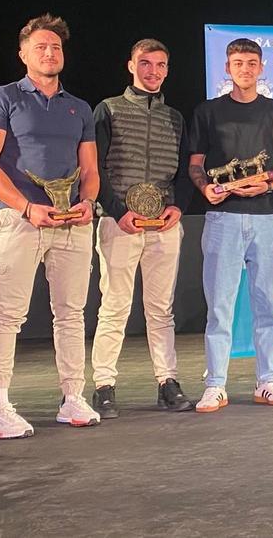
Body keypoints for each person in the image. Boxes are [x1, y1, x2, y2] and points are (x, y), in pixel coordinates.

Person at [0, 14, 101, 438]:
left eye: (56, 47)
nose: (49, 53)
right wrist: (27, 207)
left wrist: (88, 203)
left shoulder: (78, 108)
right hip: (20, 221)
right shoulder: (2, 99)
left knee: (72, 313)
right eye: (41, 47)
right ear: (23, 54)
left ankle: (73, 397)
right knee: (8, 314)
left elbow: (90, 170)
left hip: (71, 224)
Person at [187, 38, 273, 412]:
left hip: (267, 217)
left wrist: (268, 185)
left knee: (268, 303)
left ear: (261, 67)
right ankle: (215, 384)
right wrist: (205, 189)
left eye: (252, 63)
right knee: (219, 306)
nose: (245, 69)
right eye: (238, 63)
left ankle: (267, 380)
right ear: (228, 68)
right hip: (223, 217)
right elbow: (195, 164)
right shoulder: (208, 112)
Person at [89, 39, 193, 418]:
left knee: (161, 309)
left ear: (167, 70)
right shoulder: (109, 109)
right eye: (145, 63)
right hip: (120, 223)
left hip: (163, 224)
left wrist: (179, 206)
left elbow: (185, 170)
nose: (153, 71)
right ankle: (104, 385)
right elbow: (95, 167)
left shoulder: (175, 118)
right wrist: (117, 211)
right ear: (131, 66)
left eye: (160, 65)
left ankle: (167, 381)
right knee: (115, 305)